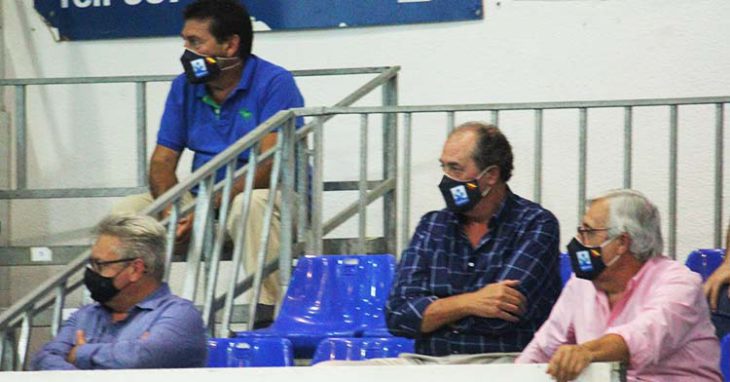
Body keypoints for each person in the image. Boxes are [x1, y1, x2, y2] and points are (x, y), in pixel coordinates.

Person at [113, 0, 304, 322]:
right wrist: (174, 209)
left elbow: (268, 167)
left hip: (270, 198)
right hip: (201, 199)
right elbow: (162, 162)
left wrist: (200, 208)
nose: (186, 52)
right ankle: (130, 311)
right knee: (127, 214)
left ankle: (275, 313)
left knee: (250, 204)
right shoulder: (184, 86)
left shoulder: (274, 83)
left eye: (195, 42)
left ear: (230, 44)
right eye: (185, 41)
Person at [385, 122, 562, 357]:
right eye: (444, 167)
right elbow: (398, 316)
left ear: (490, 176)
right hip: (428, 365)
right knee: (330, 373)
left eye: (455, 169)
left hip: (502, 365)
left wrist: (432, 313)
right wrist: (470, 302)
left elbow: (499, 319)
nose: (446, 179)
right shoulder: (432, 225)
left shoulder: (536, 224)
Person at [516, 189, 722, 382]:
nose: (579, 241)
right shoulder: (581, 284)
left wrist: (586, 352)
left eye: (588, 232)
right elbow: (542, 349)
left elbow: (641, 337)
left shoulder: (680, 284)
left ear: (622, 242)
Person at [32, 214, 207, 370]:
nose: (92, 273)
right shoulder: (85, 316)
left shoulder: (180, 314)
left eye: (100, 265)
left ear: (135, 269)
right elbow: (44, 360)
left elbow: (141, 358)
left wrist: (80, 354)